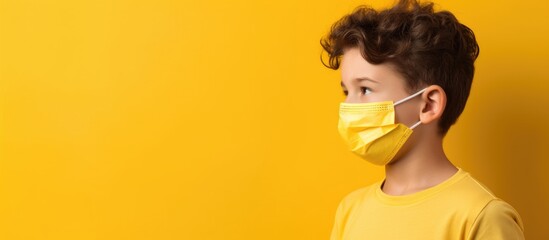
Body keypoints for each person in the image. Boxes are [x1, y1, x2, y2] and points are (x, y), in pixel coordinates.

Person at [320, 0, 525, 239]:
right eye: (347, 91)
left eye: (365, 89)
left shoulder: (480, 216)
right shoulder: (350, 210)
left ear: (429, 105)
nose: (348, 107)